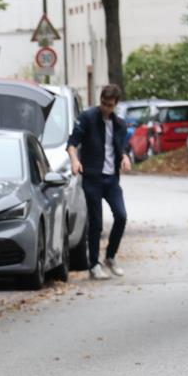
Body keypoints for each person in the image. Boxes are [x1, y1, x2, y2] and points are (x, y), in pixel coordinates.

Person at [67, 84, 133, 280]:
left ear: (115, 105)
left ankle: (110, 257)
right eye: (103, 103)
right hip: (92, 178)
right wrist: (75, 161)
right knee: (96, 222)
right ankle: (94, 265)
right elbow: (72, 143)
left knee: (121, 216)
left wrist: (125, 157)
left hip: (111, 179)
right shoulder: (87, 118)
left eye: (110, 105)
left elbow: (121, 148)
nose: (105, 108)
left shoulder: (120, 125)